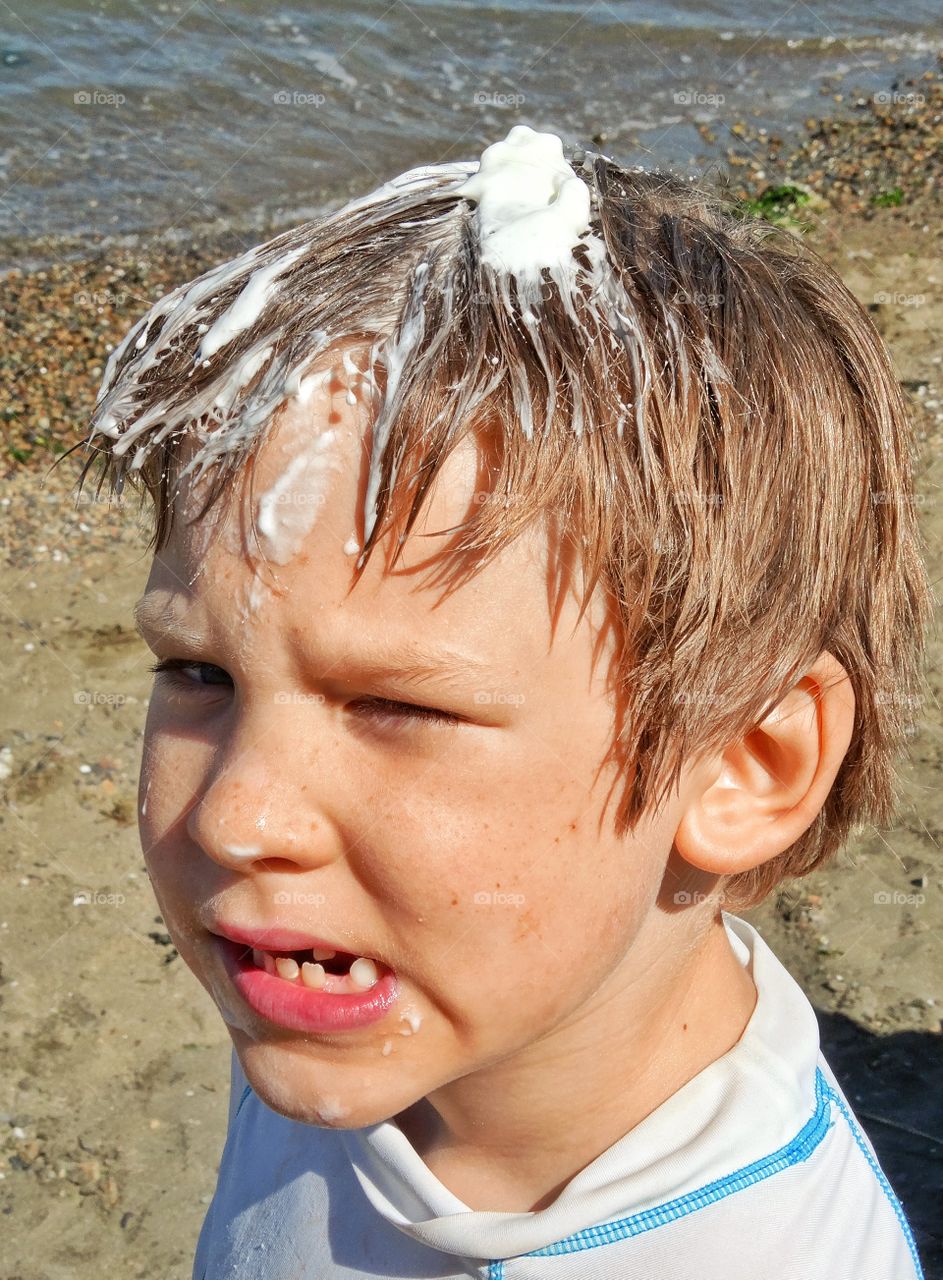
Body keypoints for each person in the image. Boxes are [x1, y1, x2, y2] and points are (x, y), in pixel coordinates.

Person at [77, 124, 929, 1278]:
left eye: (395, 706)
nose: (238, 816)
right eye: (199, 674)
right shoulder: (325, 982)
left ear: (744, 764)